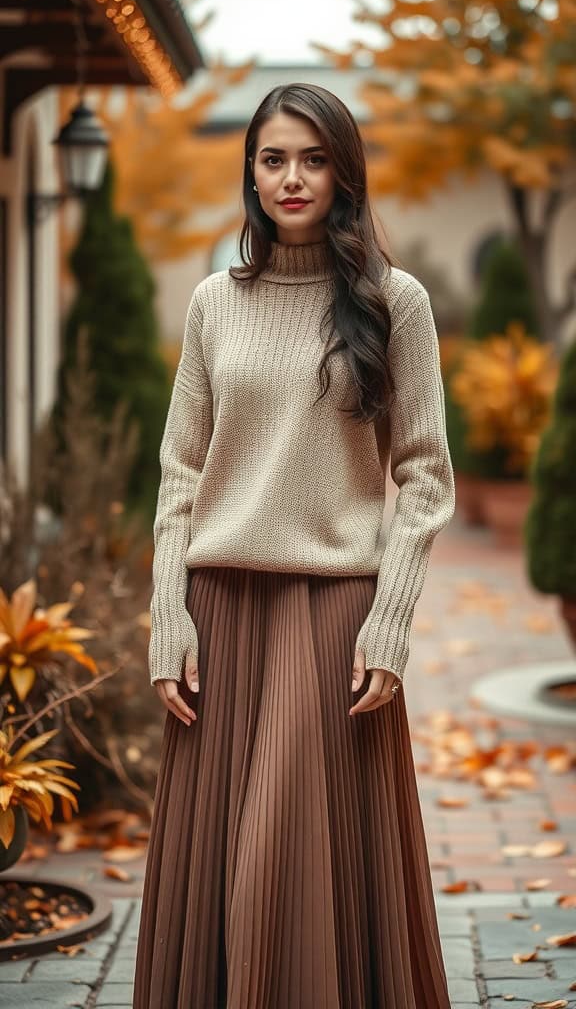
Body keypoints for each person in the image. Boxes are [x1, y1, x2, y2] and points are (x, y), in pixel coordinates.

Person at [133, 81, 455, 1009]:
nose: (292, 177)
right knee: (222, 865)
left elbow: (426, 474)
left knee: (283, 863)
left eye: (313, 158)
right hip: (221, 615)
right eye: (272, 158)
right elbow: (179, 476)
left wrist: (388, 627)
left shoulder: (396, 303)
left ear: (344, 171)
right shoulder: (212, 304)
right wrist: (169, 621)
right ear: (251, 172)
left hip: (330, 619)